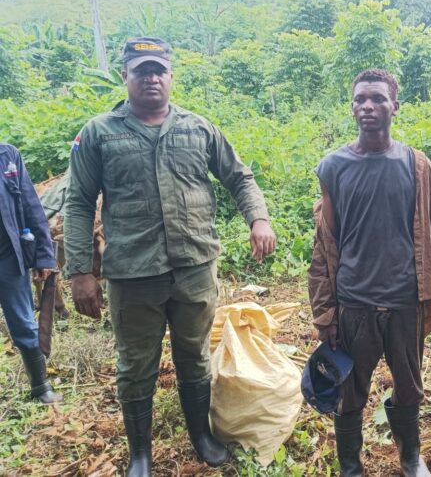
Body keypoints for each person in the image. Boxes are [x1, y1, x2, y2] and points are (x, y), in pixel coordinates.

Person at [64, 37, 276, 476]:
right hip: (133, 272)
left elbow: (240, 177)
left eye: (159, 70)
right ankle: (140, 453)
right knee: (135, 364)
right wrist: (80, 270)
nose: (151, 78)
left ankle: (201, 436)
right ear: (125, 76)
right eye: (142, 71)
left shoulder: (198, 128)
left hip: (194, 268)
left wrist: (259, 219)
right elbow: (80, 203)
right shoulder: (99, 133)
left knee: (194, 355)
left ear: (170, 75)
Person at [308, 69, 431, 477]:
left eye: (377, 99)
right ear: (352, 107)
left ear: (395, 105)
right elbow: (324, 247)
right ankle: (350, 466)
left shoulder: (416, 165)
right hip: (354, 302)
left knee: (409, 385)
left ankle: (410, 458)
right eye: (360, 99)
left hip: (406, 300)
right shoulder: (334, 167)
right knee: (350, 387)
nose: (368, 107)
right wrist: (324, 313)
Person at [0, 143, 62, 404]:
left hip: (8, 257)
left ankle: (40, 387)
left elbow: (30, 204)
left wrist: (44, 255)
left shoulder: (7, 156)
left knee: (24, 322)